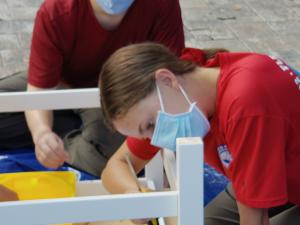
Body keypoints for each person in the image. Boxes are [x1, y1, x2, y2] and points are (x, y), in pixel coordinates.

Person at [99, 42, 300, 225]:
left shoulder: (245, 102)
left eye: (150, 125)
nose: (156, 139)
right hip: (275, 181)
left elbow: (255, 219)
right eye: (146, 135)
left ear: (166, 80)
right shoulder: (185, 82)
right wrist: (134, 194)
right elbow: (117, 165)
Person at [0, 0, 184, 176]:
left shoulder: (161, 5)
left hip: (122, 97)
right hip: (61, 84)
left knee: (120, 155)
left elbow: (169, 82)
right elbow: (39, 90)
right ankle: (74, 135)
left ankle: (76, 139)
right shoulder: (56, 11)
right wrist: (41, 133)